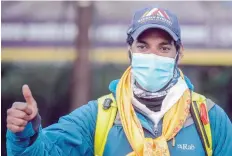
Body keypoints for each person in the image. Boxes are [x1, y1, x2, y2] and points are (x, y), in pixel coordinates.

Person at [6, 7, 232, 156]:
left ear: (179, 53)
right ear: (130, 51)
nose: (152, 56)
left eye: (163, 48)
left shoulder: (209, 119)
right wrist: (27, 132)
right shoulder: (98, 117)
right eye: (143, 46)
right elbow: (46, 151)